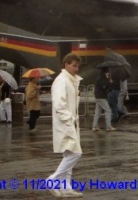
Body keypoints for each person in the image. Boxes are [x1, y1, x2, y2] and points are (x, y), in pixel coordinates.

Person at [47, 53, 83, 198]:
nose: (77, 68)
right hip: (66, 123)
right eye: (74, 65)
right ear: (66, 64)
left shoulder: (71, 80)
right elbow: (59, 105)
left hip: (70, 123)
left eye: (77, 65)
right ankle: (53, 180)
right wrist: (69, 121)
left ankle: (66, 186)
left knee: (69, 154)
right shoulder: (61, 81)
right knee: (75, 153)